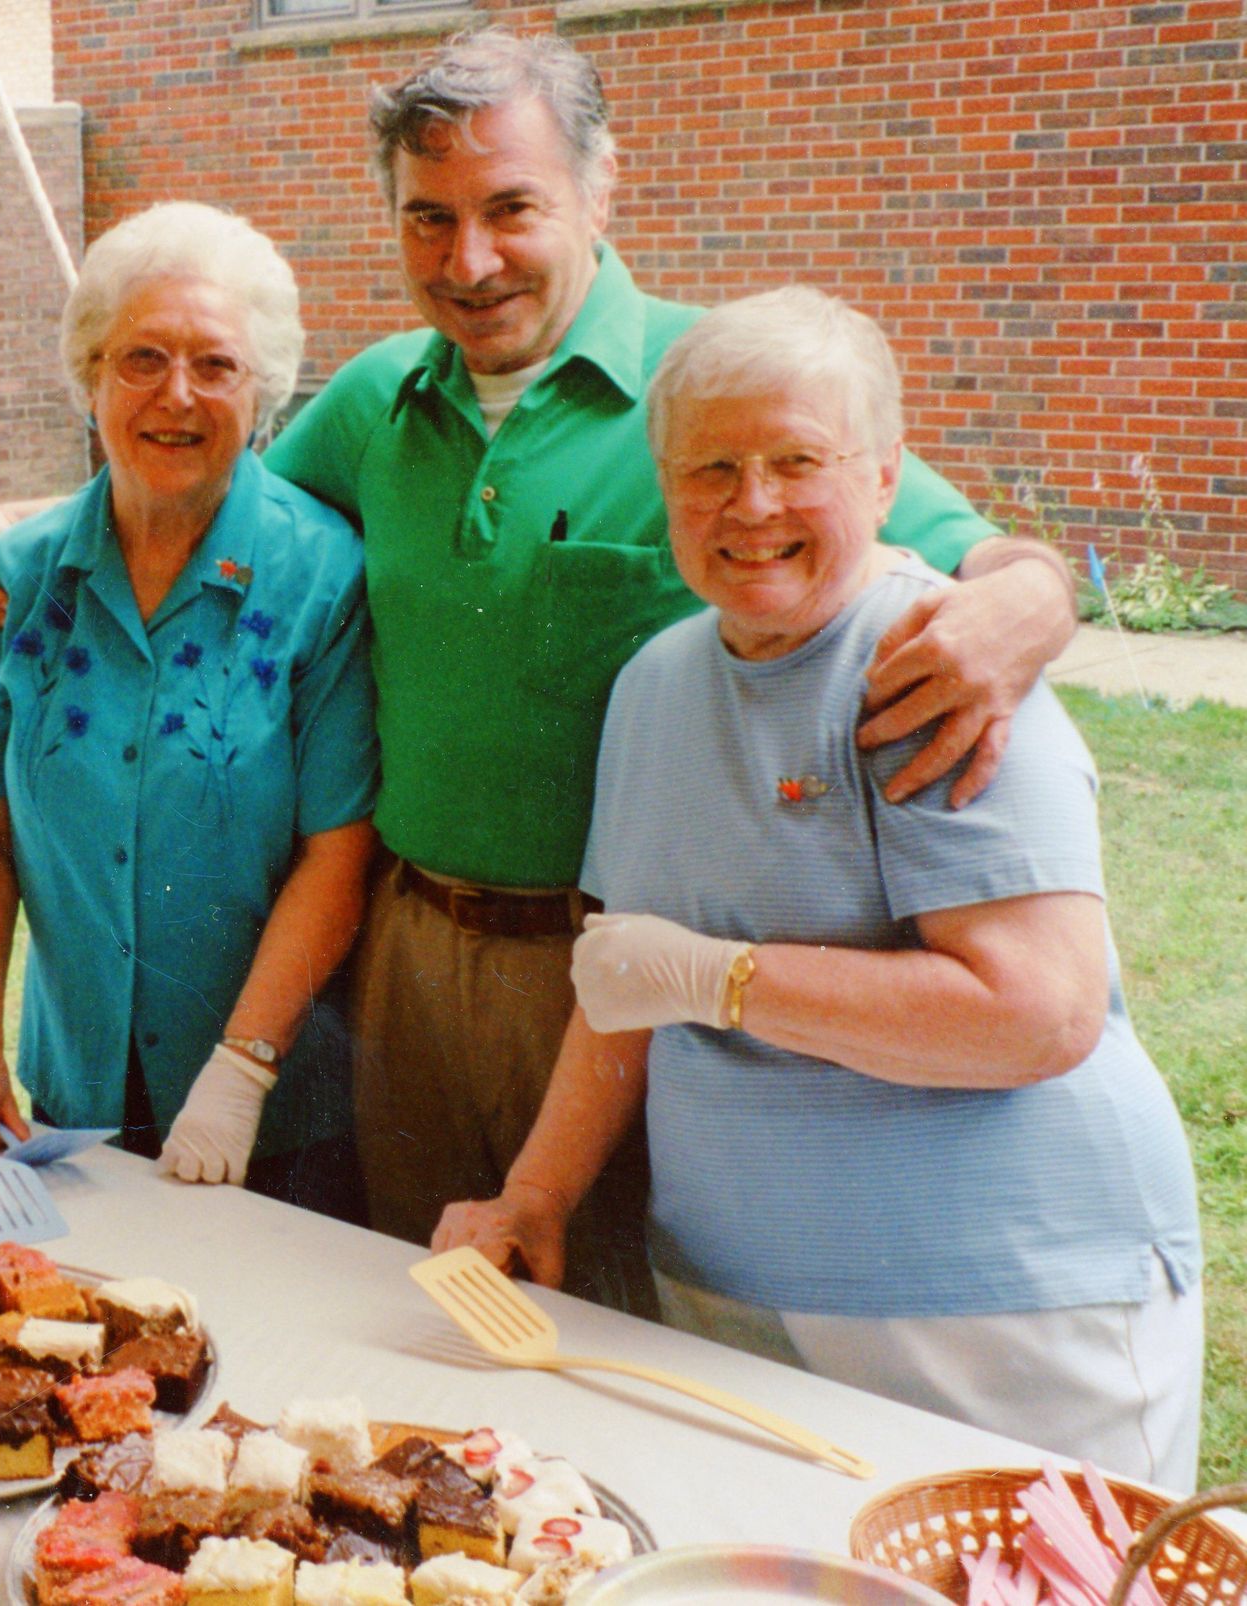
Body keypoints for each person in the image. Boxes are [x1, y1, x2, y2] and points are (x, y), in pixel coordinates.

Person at [0, 30, 1078, 1311]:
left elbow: (954, 539)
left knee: (608, 1316)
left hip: (617, 982)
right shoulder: (374, 401)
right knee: (415, 1306)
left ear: (599, 188)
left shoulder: (712, 391)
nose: (468, 261)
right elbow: (195, 490)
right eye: (428, 218)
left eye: (509, 209)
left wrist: (1028, 599)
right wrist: (14, 546)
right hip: (403, 964)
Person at [434, 286, 1202, 1487]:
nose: (750, 505)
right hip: (725, 1296)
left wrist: (726, 979)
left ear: (884, 476)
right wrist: (534, 1194)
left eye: (796, 461)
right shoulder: (653, 684)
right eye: (709, 468)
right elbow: (624, 987)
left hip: (998, 1313)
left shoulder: (936, 665)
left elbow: (1036, 1013)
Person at [0, 202, 378, 1219]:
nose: (176, 394)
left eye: (215, 365)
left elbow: (336, 852)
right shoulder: (11, 577)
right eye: (141, 359)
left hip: (275, 1112)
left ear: (261, 394)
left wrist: (241, 1070)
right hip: (75, 1096)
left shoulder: (320, 575)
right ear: (89, 377)